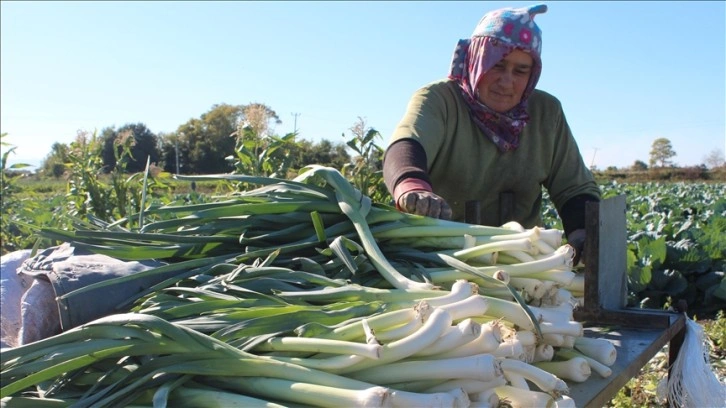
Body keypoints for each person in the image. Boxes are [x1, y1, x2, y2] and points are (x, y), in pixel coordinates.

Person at [382, 3, 601, 264]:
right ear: (475, 59)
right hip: (440, 261)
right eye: (497, 65)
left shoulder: (546, 112)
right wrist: (412, 187)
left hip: (523, 266)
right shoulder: (439, 99)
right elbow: (408, 143)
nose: (507, 81)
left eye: (521, 70)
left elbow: (574, 187)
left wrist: (582, 232)